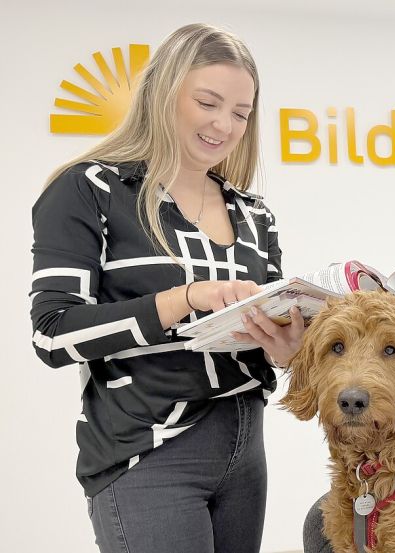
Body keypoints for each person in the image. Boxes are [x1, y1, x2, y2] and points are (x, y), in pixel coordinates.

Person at [30, 24, 304, 553]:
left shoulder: (255, 216)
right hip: (146, 452)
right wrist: (183, 299)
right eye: (208, 102)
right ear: (163, 93)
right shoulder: (91, 190)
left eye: (241, 113)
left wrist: (289, 347)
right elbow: (52, 334)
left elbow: (270, 331)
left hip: (246, 449)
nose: (224, 125)